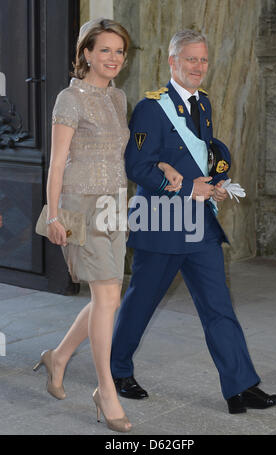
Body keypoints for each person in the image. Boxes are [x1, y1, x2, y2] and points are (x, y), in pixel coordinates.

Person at [110, 29, 276, 414]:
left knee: (219, 306)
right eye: (190, 59)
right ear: (172, 62)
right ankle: (117, 370)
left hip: (199, 225)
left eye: (203, 60)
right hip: (161, 223)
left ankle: (241, 387)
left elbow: (203, 156)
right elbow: (137, 166)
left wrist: (216, 183)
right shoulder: (149, 108)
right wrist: (190, 189)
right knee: (141, 302)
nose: (198, 66)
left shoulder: (203, 104)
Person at [33, 18, 132, 432]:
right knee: (107, 292)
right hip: (79, 205)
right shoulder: (68, 99)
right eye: (105, 49)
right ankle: (105, 389)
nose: (113, 58)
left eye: (120, 51)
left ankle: (58, 357)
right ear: (86, 53)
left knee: (106, 296)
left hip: (116, 203)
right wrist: (53, 215)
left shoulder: (119, 99)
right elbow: (56, 164)